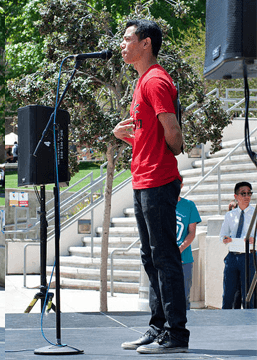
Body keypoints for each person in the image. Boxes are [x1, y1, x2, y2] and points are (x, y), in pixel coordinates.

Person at [113, 20, 189, 354]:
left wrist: (174, 148)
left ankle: (176, 334)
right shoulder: (142, 81)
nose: (122, 44)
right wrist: (127, 136)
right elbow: (152, 134)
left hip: (158, 179)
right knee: (150, 257)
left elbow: (172, 131)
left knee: (165, 257)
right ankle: (158, 328)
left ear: (146, 44)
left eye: (127, 39)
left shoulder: (156, 80)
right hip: (143, 178)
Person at [220, 182, 255, 309]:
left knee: (249, 294)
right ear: (236, 196)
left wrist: (254, 240)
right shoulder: (230, 215)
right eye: (243, 193)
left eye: (249, 193)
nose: (247, 196)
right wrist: (225, 239)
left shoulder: (255, 213)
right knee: (228, 292)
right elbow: (222, 235)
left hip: (250, 257)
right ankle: (226, 320)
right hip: (232, 257)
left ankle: (250, 322)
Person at [175, 178, 201, 310]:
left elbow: (192, 232)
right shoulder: (161, 205)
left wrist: (179, 249)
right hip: (166, 261)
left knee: (184, 298)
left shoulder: (189, 205)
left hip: (184, 260)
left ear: (181, 185)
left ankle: (183, 328)